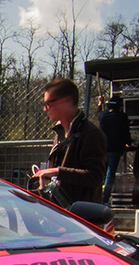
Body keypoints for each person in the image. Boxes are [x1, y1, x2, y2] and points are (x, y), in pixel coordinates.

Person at [30, 77, 106, 208]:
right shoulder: (59, 133)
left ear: (65, 101)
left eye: (49, 103)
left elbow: (96, 176)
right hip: (60, 213)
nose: (45, 109)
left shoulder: (91, 134)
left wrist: (57, 171)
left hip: (81, 216)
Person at [97, 91, 131, 205]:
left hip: (103, 148)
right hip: (115, 149)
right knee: (110, 175)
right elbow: (126, 132)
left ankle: (97, 196)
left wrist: (99, 103)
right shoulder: (122, 116)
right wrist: (128, 143)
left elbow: (98, 114)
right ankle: (105, 198)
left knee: (101, 173)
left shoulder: (103, 115)